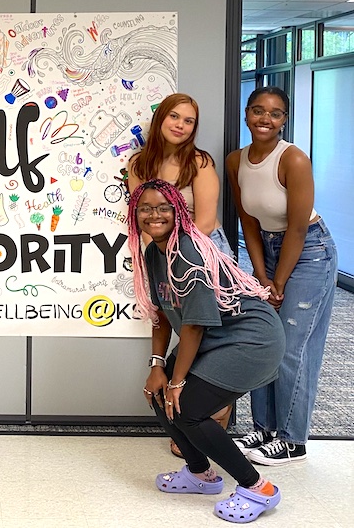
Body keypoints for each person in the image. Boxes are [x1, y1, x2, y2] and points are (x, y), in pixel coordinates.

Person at [129, 179, 285, 524]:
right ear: (135, 213)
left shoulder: (188, 252)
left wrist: (178, 380)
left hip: (251, 339)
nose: (154, 215)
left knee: (188, 409)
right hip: (215, 337)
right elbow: (162, 314)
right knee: (158, 394)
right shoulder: (154, 252)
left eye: (163, 207)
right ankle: (199, 474)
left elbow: (195, 325)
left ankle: (258, 487)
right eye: (145, 208)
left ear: (178, 211)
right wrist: (159, 367)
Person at [226, 86, 338, 465]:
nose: (265, 119)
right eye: (258, 111)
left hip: (308, 254)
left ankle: (293, 440)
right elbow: (248, 223)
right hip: (267, 252)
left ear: (284, 120)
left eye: (274, 114)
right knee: (264, 342)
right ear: (246, 114)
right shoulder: (235, 160)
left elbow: (297, 229)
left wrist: (280, 281)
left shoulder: (293, 160)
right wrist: (260, 276)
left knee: (292, 348)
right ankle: (264, 429)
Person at [127, 92, 234, 457]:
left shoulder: (200, 162)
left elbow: (203, 219)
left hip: (204, 252)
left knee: (210, 333)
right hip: (162, 251)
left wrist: (179, 253)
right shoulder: (140, 164)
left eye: (188, 121)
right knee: (174, 324)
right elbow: (143, 216)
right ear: (161, 120)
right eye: (175, 117)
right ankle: (187, 417)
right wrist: (160, 252)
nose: (181, 125)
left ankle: (214, 413)